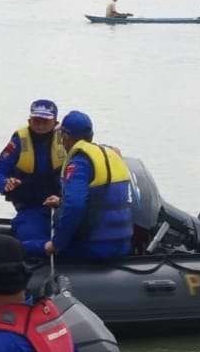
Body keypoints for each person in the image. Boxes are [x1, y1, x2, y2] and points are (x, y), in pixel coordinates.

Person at [44, 110, 133, 261]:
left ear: (65, 137)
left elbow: (75, 206)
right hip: (123, 245)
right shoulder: (112, 155)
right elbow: (105, 199)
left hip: (93, 247)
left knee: (30, 246)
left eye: (60, 137)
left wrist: (56, 244)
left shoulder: (80, 162)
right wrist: (61, 202)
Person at [0, 99, 64, 253]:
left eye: (45, 121)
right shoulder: (18, 142)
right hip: (32, 206)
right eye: (36, 120)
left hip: (63, 205)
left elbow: (87, 150)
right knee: (30, 239)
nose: (41, 125)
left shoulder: (66, 138)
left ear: (55, 122)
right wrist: (5, 183)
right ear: (29, 120)